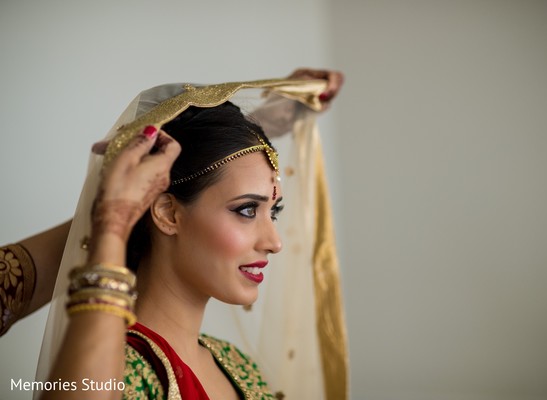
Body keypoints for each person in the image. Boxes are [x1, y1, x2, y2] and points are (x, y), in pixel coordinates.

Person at [17, 73, 348, 399]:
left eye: (272, 212)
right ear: (167, 213)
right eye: (247, 210)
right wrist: (113, 222)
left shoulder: (239, 367)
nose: (275, 243)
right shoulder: (119, 374)